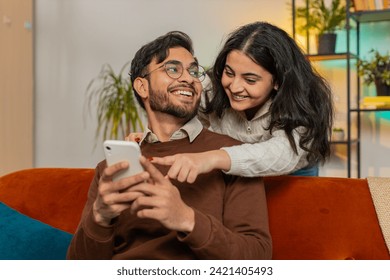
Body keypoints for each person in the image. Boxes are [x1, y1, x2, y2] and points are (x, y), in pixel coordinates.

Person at [67, 31, 272, 260]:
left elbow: (257, 258)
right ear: (142, 87)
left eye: (193, 71)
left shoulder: (234, 156)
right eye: (173, 69)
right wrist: (100, 217)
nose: (189, 78)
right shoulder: (110, 169)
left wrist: (186, 218)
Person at [144, 21, 334, 184]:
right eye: (229, 73)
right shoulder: (209, 89)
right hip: (232, 170)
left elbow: (282, 154)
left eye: (250, 80)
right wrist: (153, 137)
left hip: (293, 173)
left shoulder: (301, 103)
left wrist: (213, 158)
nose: (234, 87)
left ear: (277, 81)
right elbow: (179, 116)